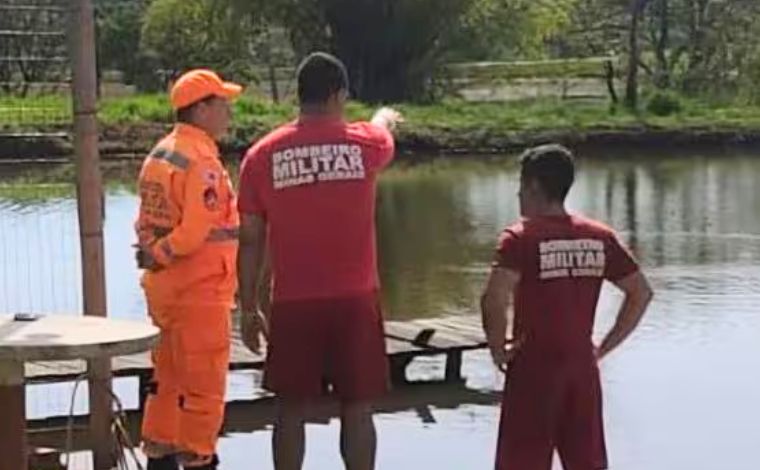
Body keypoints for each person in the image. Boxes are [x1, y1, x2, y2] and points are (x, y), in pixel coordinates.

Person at [237, 51, 403, 470]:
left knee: (290, 407)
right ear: (339, 94)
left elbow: (251, 239)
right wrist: (384, 115)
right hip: (355, 298)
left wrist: (247, 306)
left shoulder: (261, 156)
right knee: (358, 406)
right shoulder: (365, 144)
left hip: (293, 300)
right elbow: (383, 133)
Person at [480, 144, 654, 470]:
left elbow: (494, 298)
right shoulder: (599, 236)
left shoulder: (520, 238)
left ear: (532, 186)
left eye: (520, 187)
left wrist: (497, 349)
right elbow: (641, 293)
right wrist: (603, 348)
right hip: (581, 367)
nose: (518, 195)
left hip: (533, 365)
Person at [134, 69, 242, 470]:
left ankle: (159, 454)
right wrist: (162, 252)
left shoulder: (159, 155)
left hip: (165, 291)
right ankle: (199, 457)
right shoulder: (201, 161)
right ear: (201, 108)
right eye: (221, 102)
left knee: (167, 381)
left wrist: (152, 253)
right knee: (204, 388)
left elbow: (144, 221)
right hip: (200, 290)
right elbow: (196, 230)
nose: (228, 110)